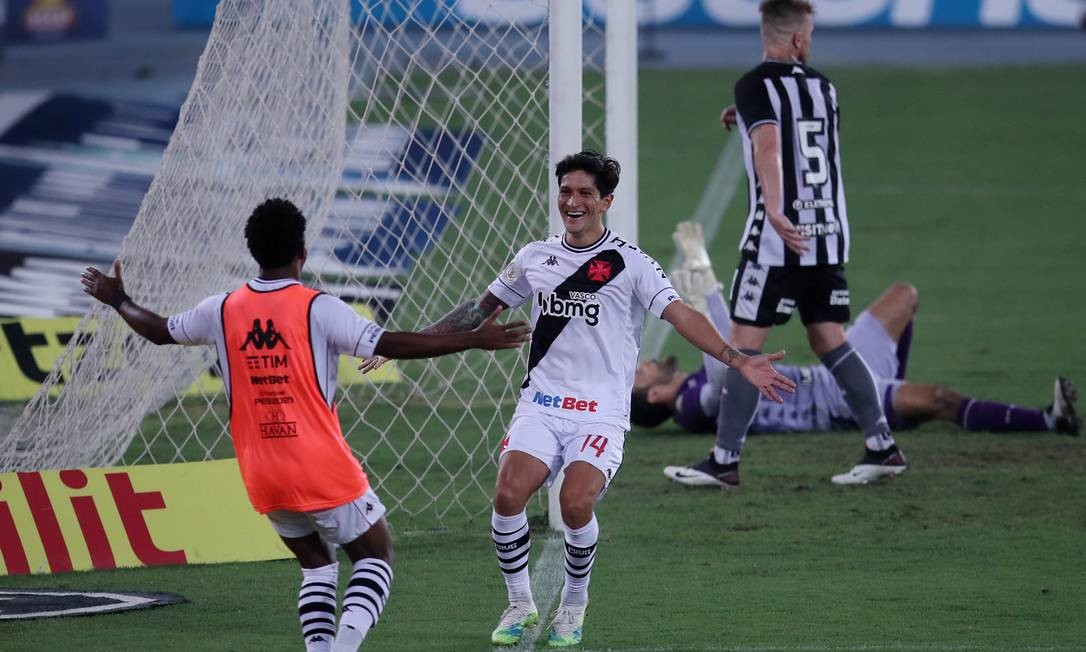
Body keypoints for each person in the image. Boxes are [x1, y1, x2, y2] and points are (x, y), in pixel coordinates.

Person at [363, 151, 794, 647]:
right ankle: (520, 603)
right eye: (566, 191)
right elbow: (478, 311)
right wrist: (401, 342)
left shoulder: (631, 264)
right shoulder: (534, 257)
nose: (573, 201)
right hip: (542, 405)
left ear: (606, 201)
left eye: (586, 193)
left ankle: (573, 604)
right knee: (506, 496)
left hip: (601, 413)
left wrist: (736, 357)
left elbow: (681, 315)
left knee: (574, 503)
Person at [80, 198, 531, 652]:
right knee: (375, 558)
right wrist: (472, 339)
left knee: (317, 568)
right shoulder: (318, 307)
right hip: (318, 464)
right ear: (302, 251)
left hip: (261, 472)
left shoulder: (220, 308)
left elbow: (159, 330)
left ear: (253, 251)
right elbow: (390, 343)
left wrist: (117, 297)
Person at [667, 0, 902, 488]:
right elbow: (797, 133)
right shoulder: (824, 86)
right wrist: (747, 115)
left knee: (744, 346)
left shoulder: (755, 84)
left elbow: (771, 145)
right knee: (828, 338)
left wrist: (774, 208)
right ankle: (882, 445)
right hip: (828, 232)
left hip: (778, 239)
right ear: (798, 39)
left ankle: (725, 459)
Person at [631, 226, 1081, 450]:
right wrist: (708, 287)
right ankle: (1048, 421)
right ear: (652, 397)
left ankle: (888, 388)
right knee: (942, 399)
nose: (646, 363)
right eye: (640, 374)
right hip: (833, 400)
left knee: (904, 296)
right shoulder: (690, 408)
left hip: (834, 371)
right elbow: (729, 368)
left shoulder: (689, 392)